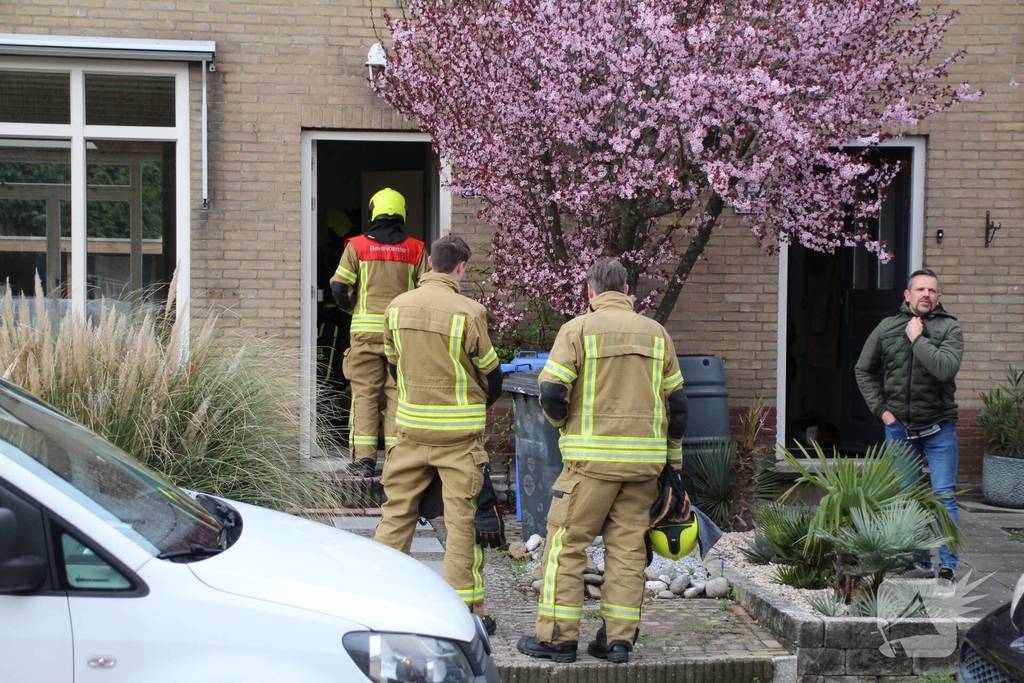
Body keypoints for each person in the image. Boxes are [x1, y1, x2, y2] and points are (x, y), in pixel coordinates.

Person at [517, 257, 688, 665]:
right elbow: (678, 406)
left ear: (590, 292)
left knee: (565, 545)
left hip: (588, 468)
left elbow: (554, 392)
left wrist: (562, 428)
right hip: (644, 468)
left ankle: (558, 639)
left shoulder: (577, 330)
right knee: (628, 551)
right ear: (627, 291)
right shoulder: (657, 334)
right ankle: (617, 642)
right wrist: (674, 465)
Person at [372, 235, 505, 634]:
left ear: (430, 262)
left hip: (409, 432)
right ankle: (464, 617)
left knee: (395, 516)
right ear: (461, 267)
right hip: (459, 440)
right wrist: (474, 405)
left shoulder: (396, 308)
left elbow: (393, 367)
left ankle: (377, 603)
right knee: (462, 526)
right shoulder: (469, 312)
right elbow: (492, 375)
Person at [855, 268, 963, 584]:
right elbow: (863, 370)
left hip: (939, 427)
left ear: (938, 297)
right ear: (908, 295)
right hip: (899, 429)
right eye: (920, 289)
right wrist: (882, 412)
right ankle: (919, 561)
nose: (926, 295)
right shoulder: (887, 329)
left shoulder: (950, 329)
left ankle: (947, 565)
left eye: (932, 290)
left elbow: (944, 369)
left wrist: (917, 339)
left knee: (943, 497)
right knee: (908, 498)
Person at [330, 188, 429, 478]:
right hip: (401, 337)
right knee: (398, 396)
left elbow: (338, 287)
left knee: (364, 396)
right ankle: (397, 461)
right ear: (402, 213)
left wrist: (352, 308)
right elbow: (429, 289)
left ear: (374, 211)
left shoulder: (357, 247)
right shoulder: (416, 249)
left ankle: (364, 461)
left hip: (364, 337)